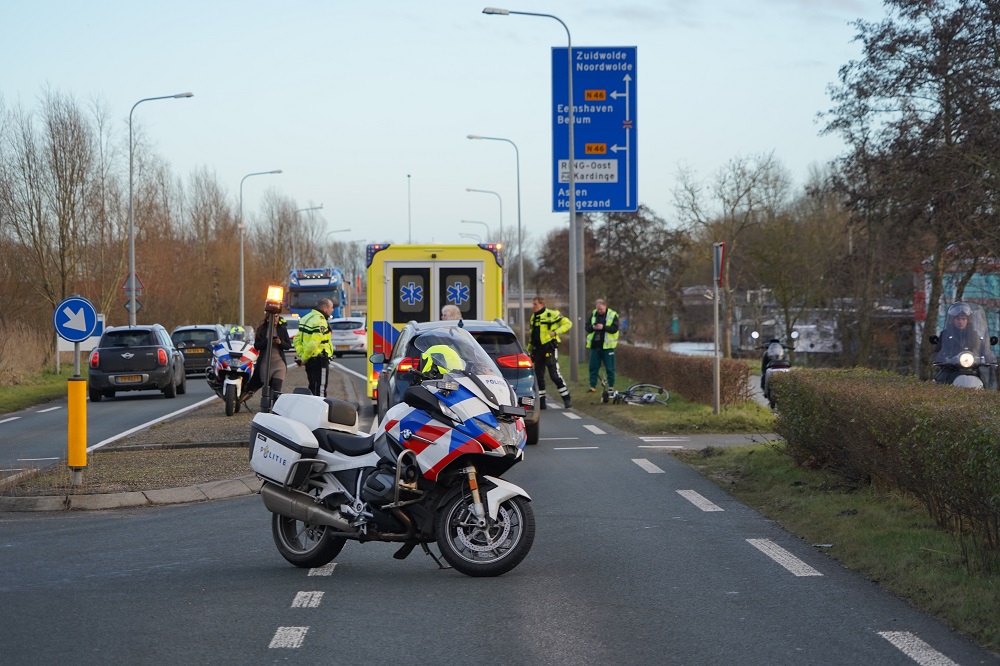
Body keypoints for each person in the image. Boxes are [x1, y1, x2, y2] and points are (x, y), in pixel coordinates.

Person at [933, 302, 995, 385]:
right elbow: (937, 352)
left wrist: (989, 358)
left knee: (986, 383)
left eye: (963, 319)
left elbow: (984, 350)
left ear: (968, 320)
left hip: (972, 369)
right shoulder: (945, 334)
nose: (961, 321)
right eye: (958, 319)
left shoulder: (974, 334)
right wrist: (942, 358)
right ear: (952, 320)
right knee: (940, 382)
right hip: (951, 369)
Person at [527, 296, 572, 409]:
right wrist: (529, 350)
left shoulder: (551, 314)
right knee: (539, 376)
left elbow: (568, 324)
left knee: (554, 375)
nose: (533, 306)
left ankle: (566, 398)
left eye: (535, 304)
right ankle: (542, 402)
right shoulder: (533, 317)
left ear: (542, 304)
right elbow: (533, 335)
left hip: (549, 349)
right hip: (537, 350)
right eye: (533, 304)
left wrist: (555, 332)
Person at [294, 298, 334, 396]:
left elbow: (297, 339)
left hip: (310, 360)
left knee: (312, 387)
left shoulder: (306, 318)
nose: (332, 310)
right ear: (325, 308)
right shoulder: (320, 321)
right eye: (331, 308)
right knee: (320, 390)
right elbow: (314, 343)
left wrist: (302, 355)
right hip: (319, 360)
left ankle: (311, 410)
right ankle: (320, 411)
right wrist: (304, 358)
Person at [248, 314, 293, 401]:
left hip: (279, 363)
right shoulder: (262, 329)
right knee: (267, 387)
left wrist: (280, 342)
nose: (275, 319)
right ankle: (266, 405)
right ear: (268, 318)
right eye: (273, 317)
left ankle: (275, 407)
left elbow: (288, 345)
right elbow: (256, 346)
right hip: (265, 363)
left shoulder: (282, 329)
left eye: (277, 316)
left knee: (276, 386)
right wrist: (267, 341)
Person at [586, 299, 620, 392]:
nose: (599, 311)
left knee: (610, 368)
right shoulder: (593, 314)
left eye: (601, 309)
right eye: (598, 309)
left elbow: (615, 329)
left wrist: (603, 327)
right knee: (593, 367)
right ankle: (592, 386)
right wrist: (592, 327)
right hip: (595, 346)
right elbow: (587, 327)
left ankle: (611, 386)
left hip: (608, 347)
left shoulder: (612, 315)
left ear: (605, 306)